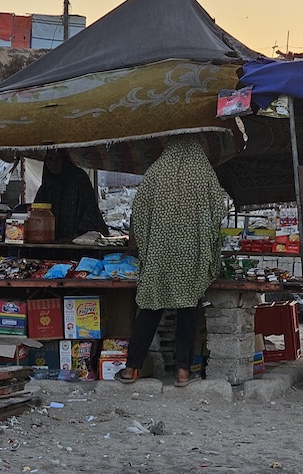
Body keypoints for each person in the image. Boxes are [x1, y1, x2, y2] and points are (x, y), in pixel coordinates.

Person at [117, 136, 228, 386]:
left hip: (159, 253)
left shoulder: (156, 171)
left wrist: (148, 249)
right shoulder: (203, 172)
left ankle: (131, 369)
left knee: (149, 308)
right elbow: (218, 211)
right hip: (191, 255)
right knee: (188, 311)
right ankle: (182, 372)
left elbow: (140, 213)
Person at [33, 150, 109, 241]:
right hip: (54, 243)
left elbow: (90, 210)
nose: (53, 163)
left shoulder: (79, 178)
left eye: (58, 159)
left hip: (80, 241)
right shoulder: (47, 184)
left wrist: (75, 236)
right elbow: (37, 211)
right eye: (49, 160)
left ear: (64, 160)